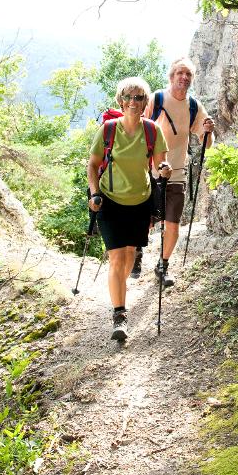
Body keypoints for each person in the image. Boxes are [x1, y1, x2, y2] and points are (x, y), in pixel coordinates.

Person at [87, 77, 170, 341]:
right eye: (129, 97)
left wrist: (164, 170)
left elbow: (159, 164)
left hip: (139, 202)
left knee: (130, 255)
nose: (134, 102)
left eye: (139, 98)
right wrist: (94, 193)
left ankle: (117, 288)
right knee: (116, 258)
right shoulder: (109, 130)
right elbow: (92, 164)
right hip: (109, 201)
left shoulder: (152, 131)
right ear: (121, 101)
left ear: (146, 102)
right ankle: (119, 315)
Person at [131, 57, 215, 287]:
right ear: (171, 76)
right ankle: (137, 253)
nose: (184, 77)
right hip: (148, 172)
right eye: (180, 73)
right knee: (144, 220)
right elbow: (136, 127)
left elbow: (206, 142)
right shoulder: (156, 99)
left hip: (177, 173)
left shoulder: (194, 106)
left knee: (173, 225)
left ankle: (162, 265)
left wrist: (207, 130)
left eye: (188, 74)